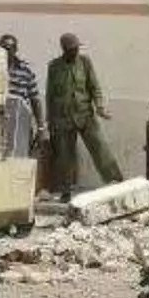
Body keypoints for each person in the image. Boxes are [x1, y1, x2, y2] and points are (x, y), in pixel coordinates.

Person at [44, 32, 122, 202]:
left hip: (85, 114)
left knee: (100, 148)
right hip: (63, 118)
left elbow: (94, 87)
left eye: (77, 48)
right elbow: (50, 95)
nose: (76, 51)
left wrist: (100, 107)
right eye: (72, 49)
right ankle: (65, 191)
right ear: (65, 50)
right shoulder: (54, 67)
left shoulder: (85, 62)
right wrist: (49, 120)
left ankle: (116, 181)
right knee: (64, 156)